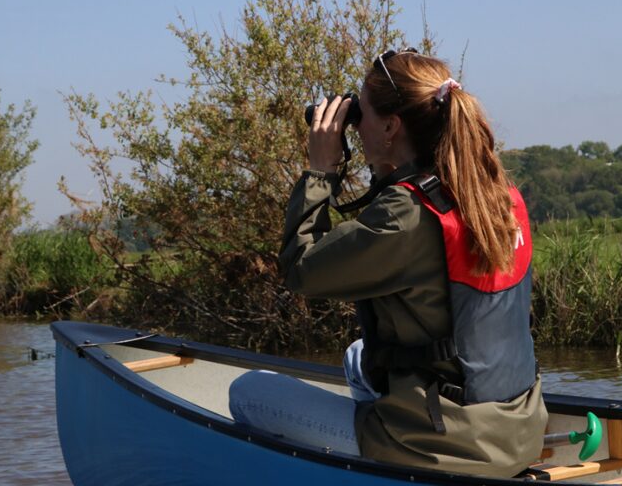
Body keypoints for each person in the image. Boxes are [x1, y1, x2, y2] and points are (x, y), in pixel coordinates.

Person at [228, 49, 547, 478]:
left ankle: (380, 461)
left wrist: (320, 171)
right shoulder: (493, 193)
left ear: (391, 126)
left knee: (249, 392)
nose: (356, 126)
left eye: (361, 114)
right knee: (358, 353)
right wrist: (386, 164)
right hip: (519, 427)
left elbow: (301, 269)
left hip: (447, 446)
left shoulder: (407, 216)